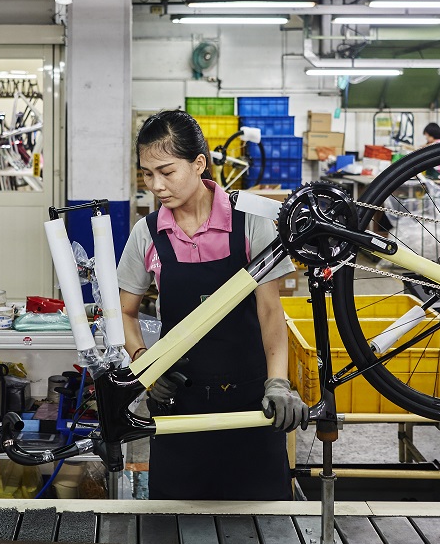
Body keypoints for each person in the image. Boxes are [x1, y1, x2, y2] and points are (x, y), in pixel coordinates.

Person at [117, 110, 306, 501]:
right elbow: (124, 311)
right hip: (179, 408)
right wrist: (145, 366)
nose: (156, 186)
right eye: (147, 174)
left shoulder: (250, 223)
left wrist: (278, 382)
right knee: (175, 530)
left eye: (167, 172)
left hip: (251, 405)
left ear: (199, 163)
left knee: (265, 530)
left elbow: (271, 311)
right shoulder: (147, 233)